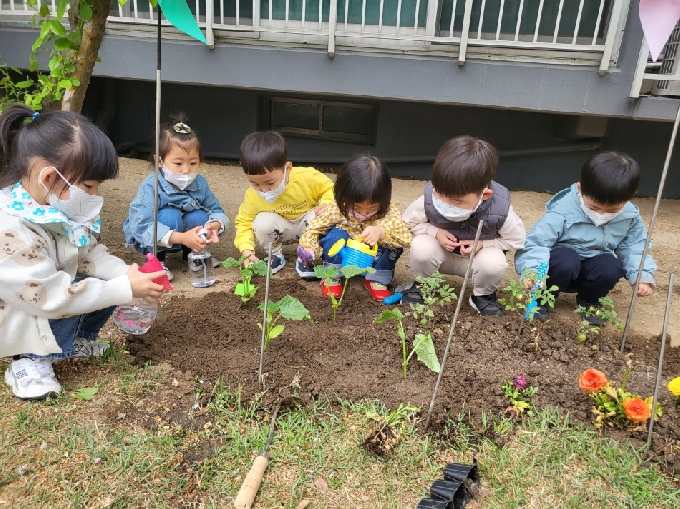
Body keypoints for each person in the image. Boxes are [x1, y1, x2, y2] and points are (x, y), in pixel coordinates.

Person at [0, 105, 167, 400]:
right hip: (22, 309)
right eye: (88, 186)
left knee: (103, 282)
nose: (94, 196)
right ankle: (28, 361)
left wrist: (126, 274)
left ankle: (70, 342)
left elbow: (89, 254)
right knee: (90, 290)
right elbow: (48, 297)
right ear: (49, 178)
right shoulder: (13, 230)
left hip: (44, 294)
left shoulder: (56, 210)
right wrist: (122, 289)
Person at [515, 151, 656, 323]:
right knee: (566, 259)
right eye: (595, 207)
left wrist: (641, 275)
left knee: (611, 266)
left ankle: (589, 301)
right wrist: (533, 271)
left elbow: (634, 246)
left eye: (612, 210)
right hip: (559, 270)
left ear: (629, 197)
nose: (602, 214)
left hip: (591, 269)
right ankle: (541, 298)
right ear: (581, 188)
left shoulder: (630, 217)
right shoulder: (562, 211)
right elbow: (538, 243)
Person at [403, 136, 526, 316]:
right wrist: (434, 232)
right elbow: (407, 223)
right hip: (440, 255)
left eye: (457, 201)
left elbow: (516, 239)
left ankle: (482, 296)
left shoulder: (500, 209)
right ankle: (423, 285)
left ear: (484, 195)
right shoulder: (428, 200)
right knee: (421, 246)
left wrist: (483, 244)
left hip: (474, 262)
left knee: (494, 262)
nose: (445, 204)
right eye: (440, 194)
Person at [123, 114, 229, 281]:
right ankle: (157, 259)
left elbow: (215, 209)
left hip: (186, 233)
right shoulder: (152, 186)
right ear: (159, 161)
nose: (186, 170)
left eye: (193, 163)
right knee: (168, 215)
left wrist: (215, 224)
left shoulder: (200, 183)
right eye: (178, 164)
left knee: (200, 216)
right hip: (154, 237)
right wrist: (182, 238)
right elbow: (141, 225)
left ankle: (193, 254)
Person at [298, 155, 412, 301]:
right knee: (334, 236)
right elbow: (313, 229)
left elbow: (406, 239)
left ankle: (376, 279)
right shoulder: (338, 208)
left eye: (372, 208)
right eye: (357, 208)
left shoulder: (389, 212)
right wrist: (308, 247)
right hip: (346, 252)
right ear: (342, 196)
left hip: (372, 258)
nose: (363, 214)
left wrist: (382, 233)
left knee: (393, 245)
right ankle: (332, 275)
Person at [233, 131, 334, 276]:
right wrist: (246, 250)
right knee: (261, 222)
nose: (264, 190)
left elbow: (329, 188)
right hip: (281, 231)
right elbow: (244, 222)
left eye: (270, 182)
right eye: (255, 184)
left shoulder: (307, 177)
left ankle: (306, 257)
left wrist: (325, 203)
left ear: (287, 168)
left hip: (309, 226)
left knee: (324, 216)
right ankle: (275, 256)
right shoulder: (252, 196)